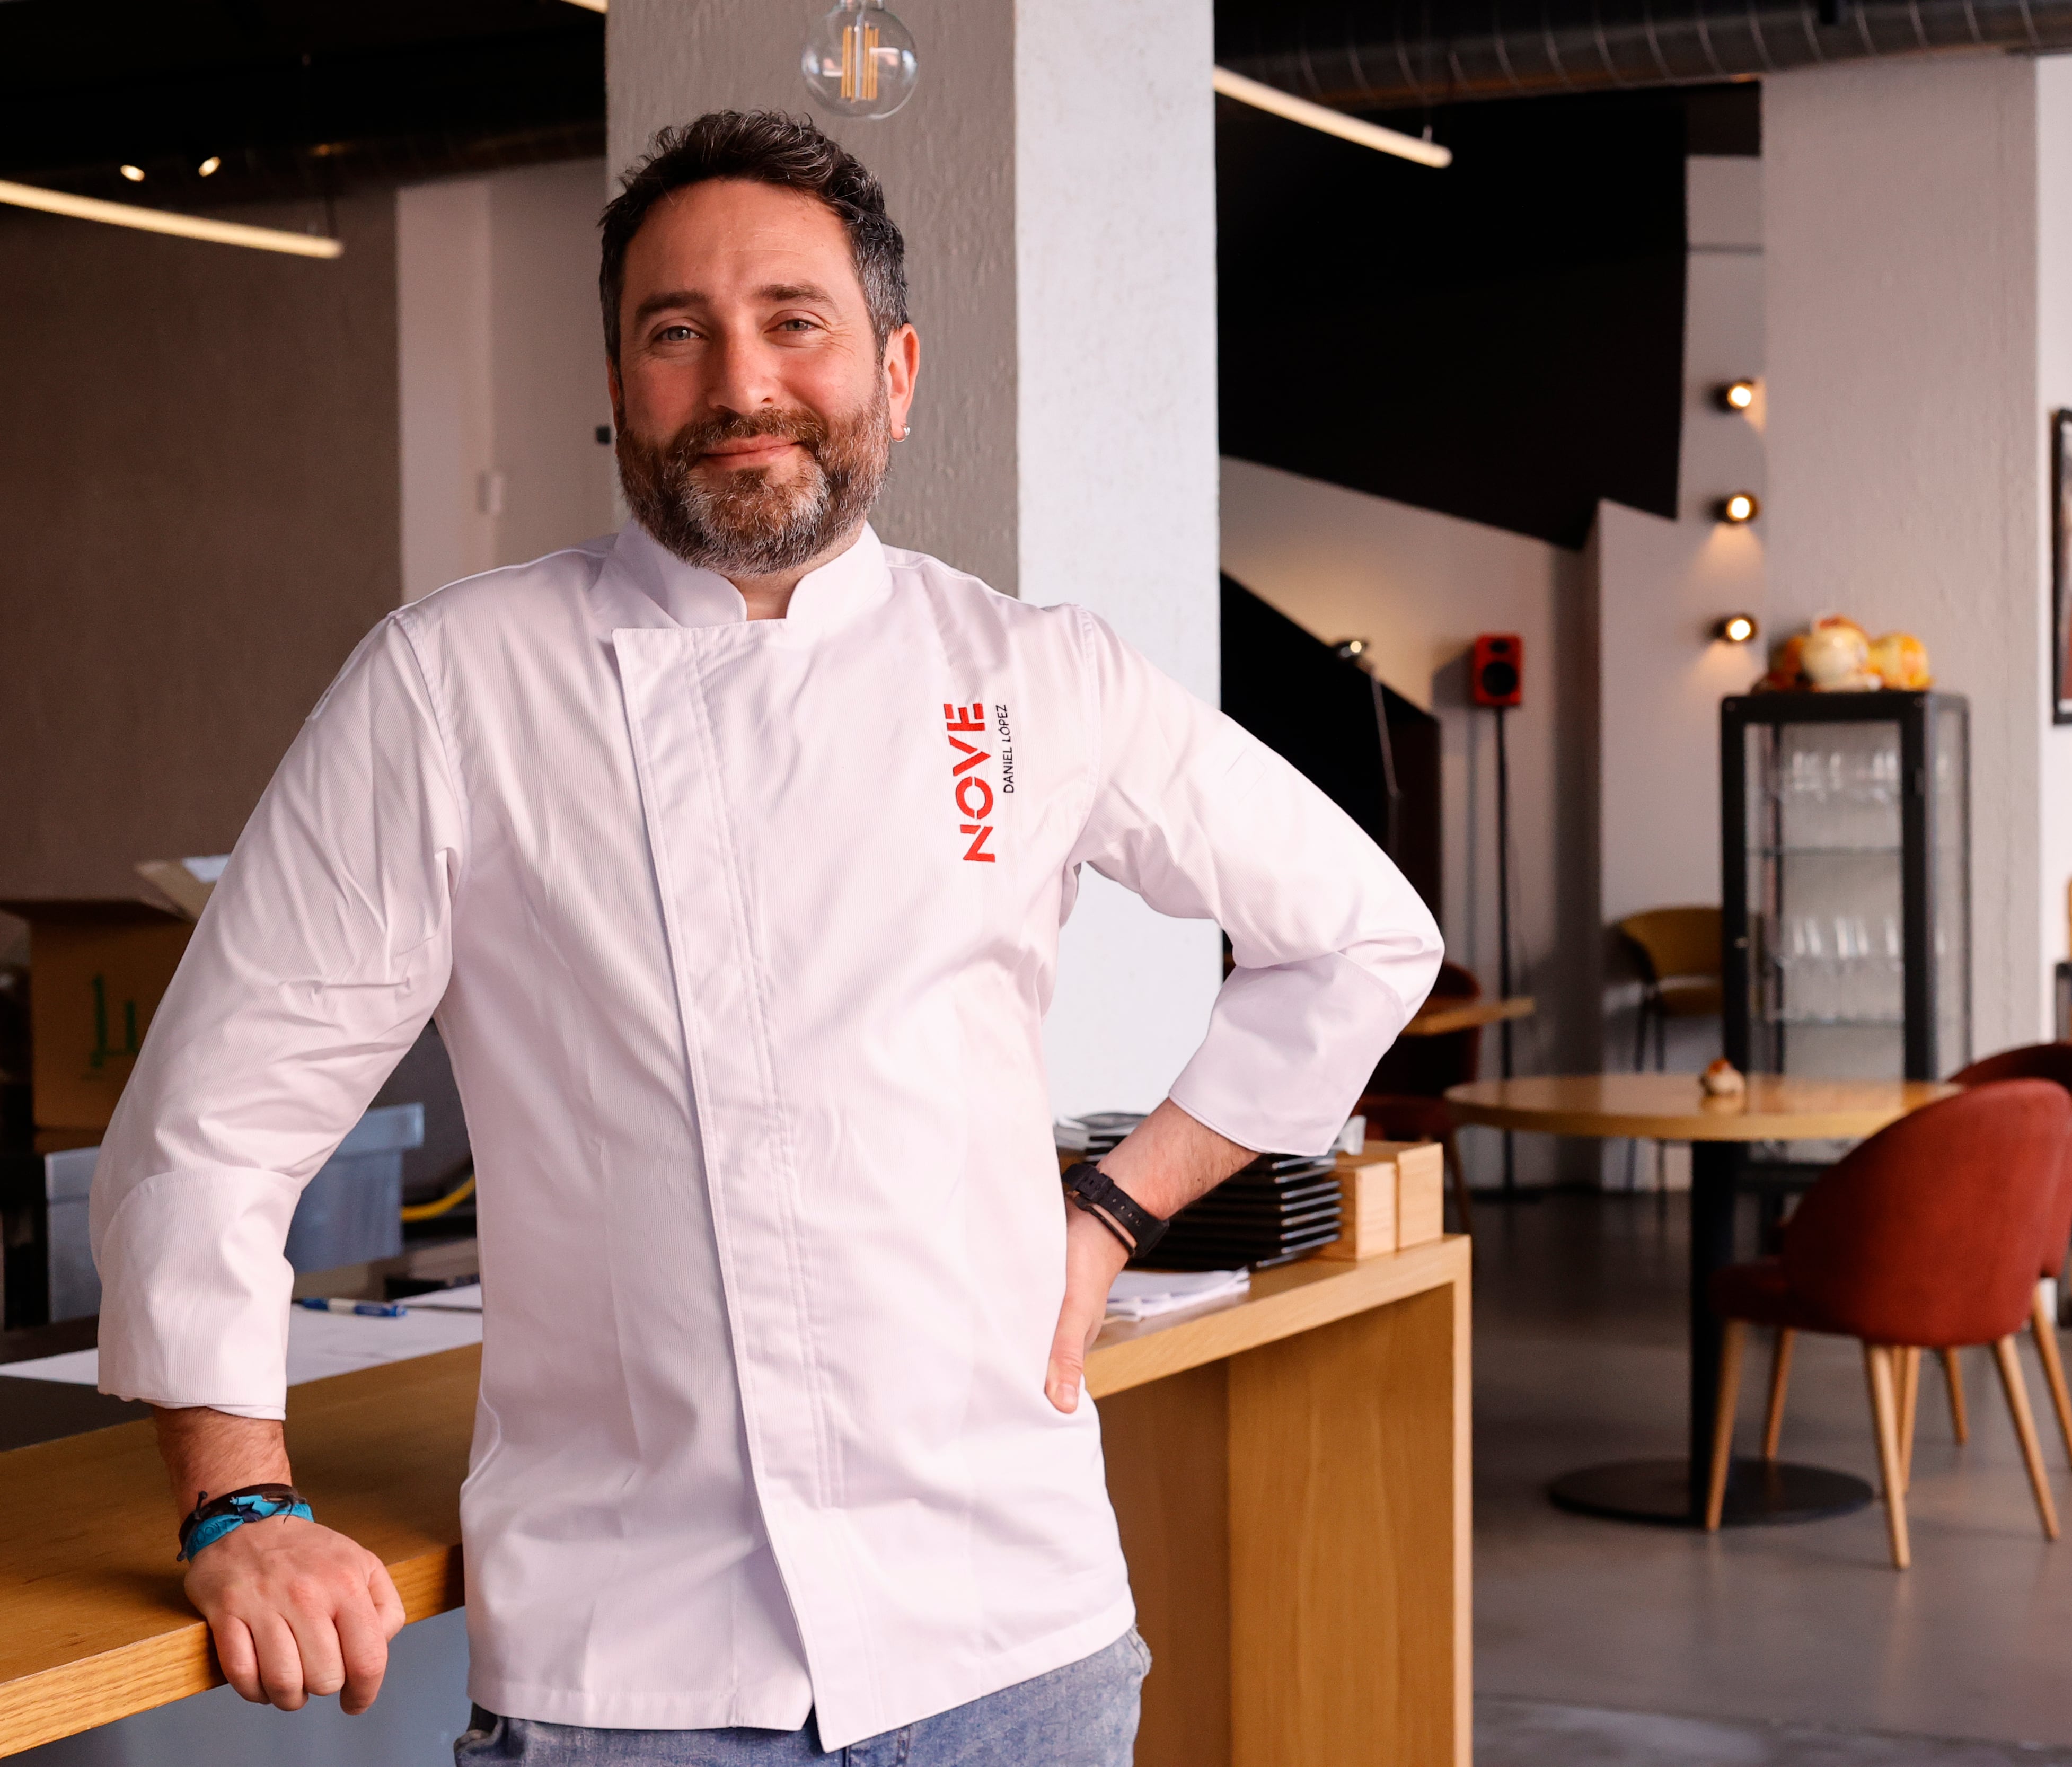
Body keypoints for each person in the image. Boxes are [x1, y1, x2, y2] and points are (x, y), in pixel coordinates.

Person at [90, 109, 1441, 1765]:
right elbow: (217, 1117)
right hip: (633, 1678)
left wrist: (1107, 1216)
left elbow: (1364, 935)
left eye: (795, 322)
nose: (742, 382)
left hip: (1017, 1641)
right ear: (616, 378)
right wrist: (241, 1504)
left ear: (896, 368)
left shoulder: (1032, 674)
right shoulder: (454, 686)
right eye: (679, 332)